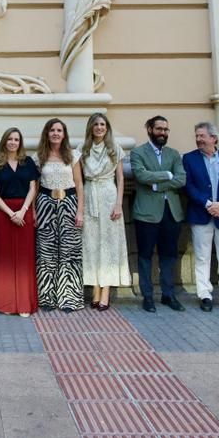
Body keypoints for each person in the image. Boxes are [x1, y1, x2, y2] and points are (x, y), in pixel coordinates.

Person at [182, 121, 219, 313]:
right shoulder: (189, 159)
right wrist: (208, 204)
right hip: (201, 213)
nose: (198, 139)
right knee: (202, 257)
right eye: (197, 136)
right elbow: (188, 186)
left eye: (202, 135)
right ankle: (205, 295)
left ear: (214, 138)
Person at [130, 115, 187, 313]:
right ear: (150, 130)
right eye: (159, 129)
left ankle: (168, 294)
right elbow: (141, 175)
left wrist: (156, 185)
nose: (163, 133)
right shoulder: (138, 152)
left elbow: (181, 179)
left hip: (172, 212)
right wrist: (167, 175)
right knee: (145, 255)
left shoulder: (174, 154)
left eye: (165, 129)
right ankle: (147, 296)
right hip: (146, 214)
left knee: (169, 255)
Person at [78, 113, 129, 312]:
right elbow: (78, 179)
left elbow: (121, 178)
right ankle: (95, 290)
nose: (99, 127)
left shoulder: (115, 148)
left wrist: (118, 204)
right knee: (91, 244)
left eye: (103, 124)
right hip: (90, 195)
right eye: (96, 124)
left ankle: (105, 291)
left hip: (109, 196)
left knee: (108, 244)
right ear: (90, 127)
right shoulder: (82, 149)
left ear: (107, 128)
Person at [0, 127, 38, 316]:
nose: (13, 142)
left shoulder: (28, 162)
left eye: (16, 139)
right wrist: (11, 214)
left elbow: (33, 189)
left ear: (20, 143)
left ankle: (24, 304)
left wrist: (23, 211)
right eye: (10, 139)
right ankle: (7, 304)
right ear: (4, 141)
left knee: (25, 258)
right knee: (5, 259)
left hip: (25, 212)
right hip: (4, 213)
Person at [35, 118, 85, 312]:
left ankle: (69, 298)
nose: (55, 133)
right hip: (45, 204)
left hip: (69, 203)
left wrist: (80, 211)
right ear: (47, 133)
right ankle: (47, 297)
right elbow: (35, 186)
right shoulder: (39, 156)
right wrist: (34, 211)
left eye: (59, 130)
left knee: (70, 252)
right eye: (52, 130)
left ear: (64, 134)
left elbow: (79, 184)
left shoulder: (72, 155)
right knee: (46, 252)